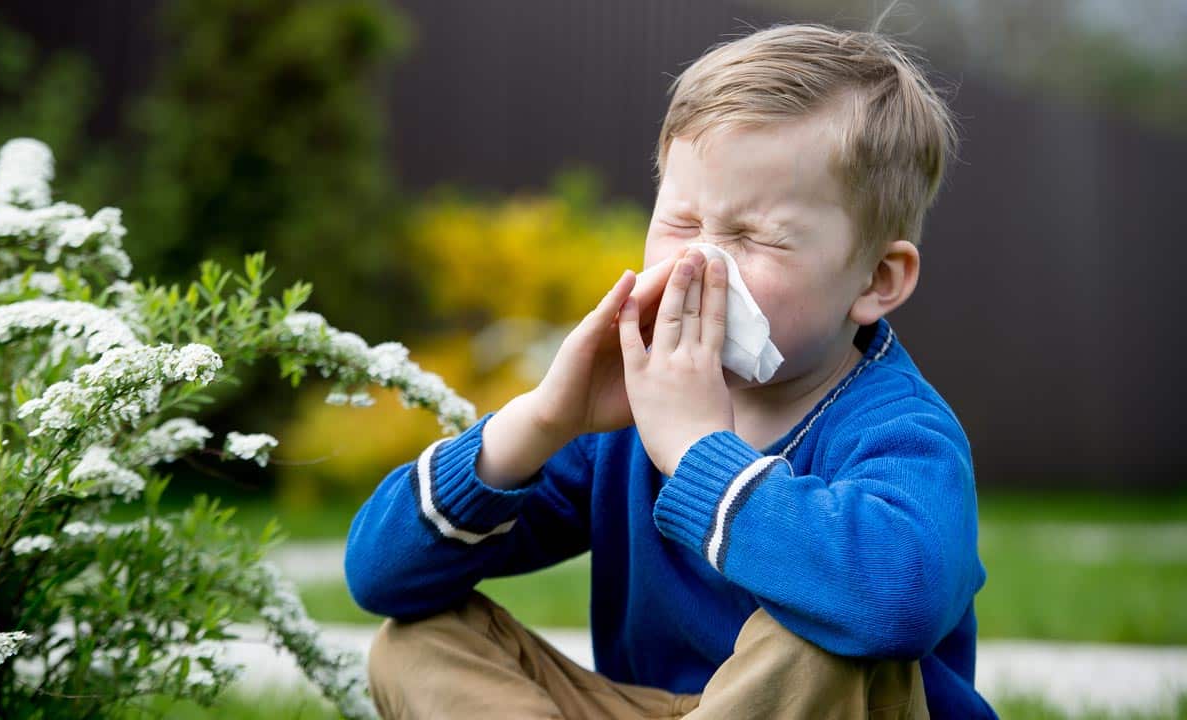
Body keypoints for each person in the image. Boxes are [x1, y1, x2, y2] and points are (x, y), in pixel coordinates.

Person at [344, 19, 998, 720]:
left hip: (819, 703)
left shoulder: (899, 430)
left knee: (824, 636)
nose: (700, 263)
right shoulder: (627, 413)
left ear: (877, 278)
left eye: (756, 237)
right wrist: (540, 421)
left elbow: (896, 605)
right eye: (682, 223)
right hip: (648, 704)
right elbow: (382, 577)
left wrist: (695, 455)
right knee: (415, 640)